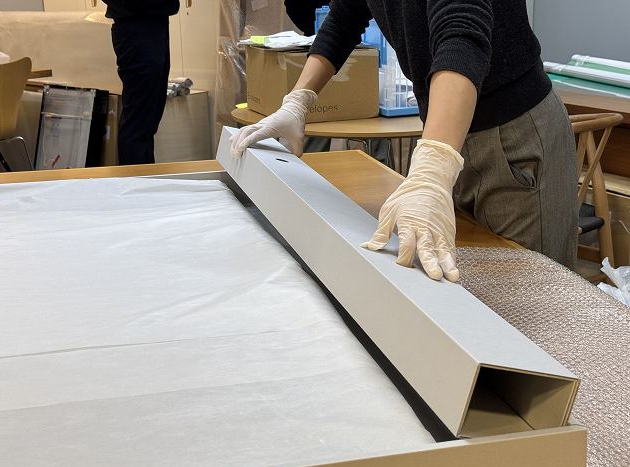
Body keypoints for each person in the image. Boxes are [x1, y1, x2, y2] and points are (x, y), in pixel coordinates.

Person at [231, 0, 577, 283]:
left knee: (531, 295)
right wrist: (298, 101)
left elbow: (461, 33)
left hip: (512, 132)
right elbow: (344, 17)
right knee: (465, 281)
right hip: (451, 134)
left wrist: (433, 168)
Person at [103, 0, 180, 165]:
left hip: (155, 21)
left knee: (148, 121)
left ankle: (144, 176)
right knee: (138, 122)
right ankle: (136, 179)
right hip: (135, 25)